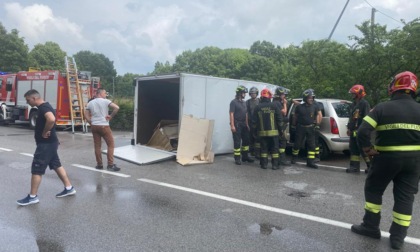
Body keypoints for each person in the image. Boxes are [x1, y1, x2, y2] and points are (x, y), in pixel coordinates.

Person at [351, 71, 420, 250]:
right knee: (405, 198)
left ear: (394, 87)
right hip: (414, 162)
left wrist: (369, 150)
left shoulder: (382, 108)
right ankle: (398, 239)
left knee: (373, 190)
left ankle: (371, 227)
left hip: (385, 159)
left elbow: (363, 131)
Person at [17, 89, 76, 206]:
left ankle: (32, 197)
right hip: (50, 143)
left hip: (46, 144)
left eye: (28, 100)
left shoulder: (43, 108)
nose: (27, 102)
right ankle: (69, 188)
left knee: (37, 169)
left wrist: (45, 131)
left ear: (34, 98)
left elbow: (51, 119)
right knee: (56, 165)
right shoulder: (46, 106)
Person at [84, 88, 121, 171]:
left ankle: (99, 165)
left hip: (94, 126)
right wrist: (110, 116)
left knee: (97, 146)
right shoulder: (105, 101)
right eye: (105, 93)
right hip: (104, 125)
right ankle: (110, 165)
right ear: (100, 93)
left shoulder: (90, 103)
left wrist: (91, 123)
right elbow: (117, 108)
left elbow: (86, 115)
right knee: (110, 145)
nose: (105, 95)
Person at [251, 89, 283, 170]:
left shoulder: (257, 107)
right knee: (275, 149)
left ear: (262, 97)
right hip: (274, 133)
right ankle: (275, 165)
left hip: (262, 134)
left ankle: (264, 164)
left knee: (264, 149)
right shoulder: (274, 106)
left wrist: (254, 132)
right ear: (269, 97)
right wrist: (281, 130)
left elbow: (254, 122)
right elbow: (279, 119)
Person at [291, 89, 321, 169]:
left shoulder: (314, 106)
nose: (311, 99)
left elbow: (317, 115)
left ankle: (310, 162)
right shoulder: (299, 107)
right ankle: (294, 158)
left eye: (312, 98)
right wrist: (293, 125)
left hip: (310, 128)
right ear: (305, 98)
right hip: (300, 128)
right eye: (309, 98)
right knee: (297, 144)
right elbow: (295, 116)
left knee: (311, 145)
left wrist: (317, 124)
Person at [346, 84, 371, 173]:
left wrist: (363, 130)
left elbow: (366, 118)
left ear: (359, 93)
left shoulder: (364, 103)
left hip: (360, 132)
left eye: (353, 93)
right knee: (353, 149)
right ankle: (354, 167)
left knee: (364, 150)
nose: (352, 95)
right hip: (353, 131)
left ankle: (371, 167)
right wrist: (349, 128)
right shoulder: (353, 104)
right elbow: (351, 118)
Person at [229, 85, 254, 165]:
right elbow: (231, 114)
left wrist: (247, 124)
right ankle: (237, 158)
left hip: (244, 124)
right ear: (239, 93)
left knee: (246, 140)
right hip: (237, 124)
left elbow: (246, 114)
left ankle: (245, 156)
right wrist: (232, 125)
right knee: (237, 141)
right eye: (244, 93)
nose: (245, 94)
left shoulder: (244, 102)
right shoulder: (233, 102)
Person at [272, 86, 291, 166]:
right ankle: (281, 160)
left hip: (277, 126)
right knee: (282, 143)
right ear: (280, 95)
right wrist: (285, 104)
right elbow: (284, 112)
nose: (284, 96)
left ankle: (280, 160)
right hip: (279, 126)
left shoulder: (275, 102)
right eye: (283, 95)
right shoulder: (277, 103)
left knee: (280, 143)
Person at [246, 87, 260, 159]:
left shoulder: (260, 101)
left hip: (259, 123)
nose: (252, 95)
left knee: (258, 138)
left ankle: (257, 153)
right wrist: (247, 124)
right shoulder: (247, 102)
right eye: (251, 93)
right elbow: (246, 113)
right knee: (250, 138)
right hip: (251, 122)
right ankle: (251, 152)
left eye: (254, 93)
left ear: (257, 94)